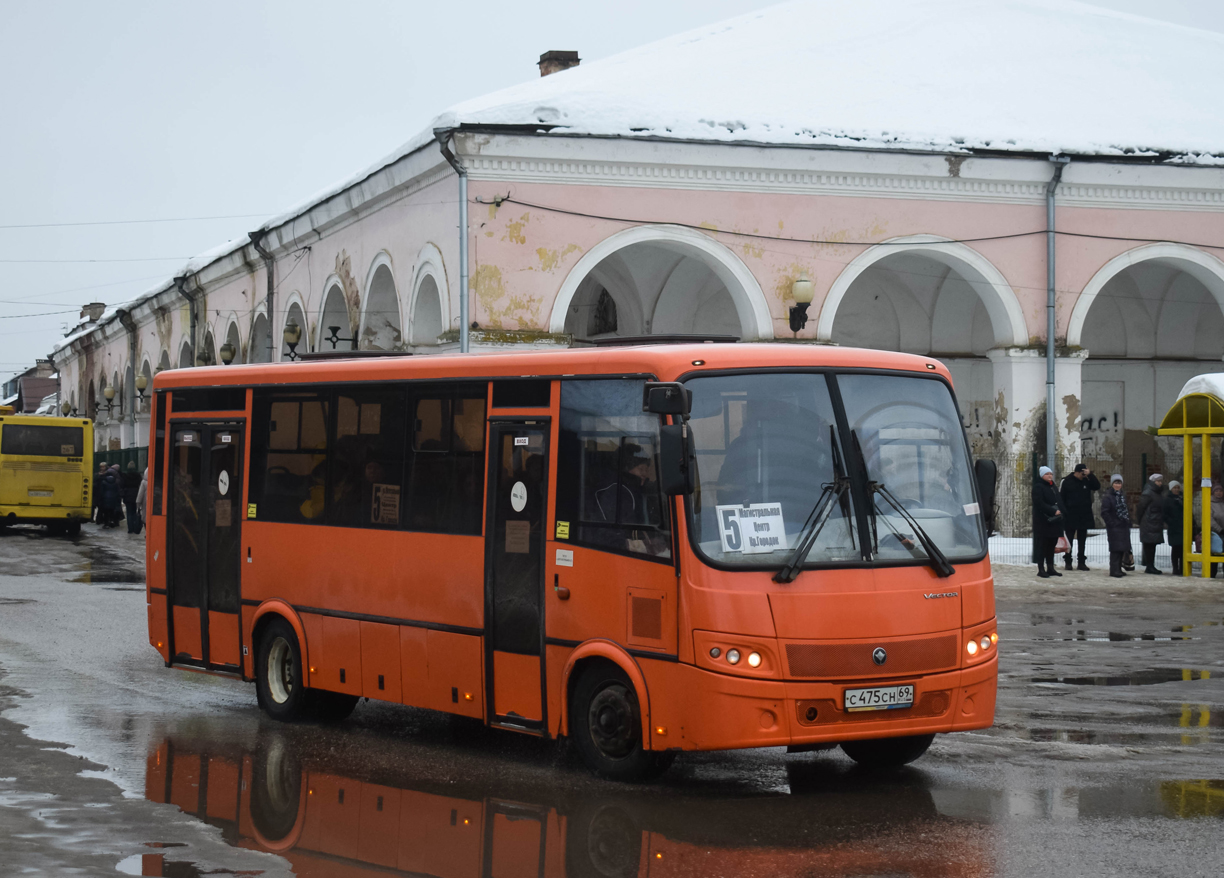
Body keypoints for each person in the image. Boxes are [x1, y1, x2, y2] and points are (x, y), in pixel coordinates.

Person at [1059, 463, 1100, 570]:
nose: (1083, 475)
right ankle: (1068, 561)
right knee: (1069, 539)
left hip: (1084, 514)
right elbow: (1061, 498)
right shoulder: (1067, 481)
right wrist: (1063, 512)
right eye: (1082, 473)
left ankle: (1081, 562)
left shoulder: (1087, 480)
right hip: (1070, 515)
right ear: (1077, 472)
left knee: (1082, 539)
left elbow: (1097, 486)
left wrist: (1090, 475)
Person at [1031, 466, 1066, 578]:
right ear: (1042, 475)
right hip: (1043, 521)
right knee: (1042, 545)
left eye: (1051, 474)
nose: (1050, 476)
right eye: (1047, 474)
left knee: (1052, 545)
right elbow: (1039, 503)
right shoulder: (1038, 487)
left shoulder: (1053, 486)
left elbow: (1059, 499)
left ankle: (1050, 567)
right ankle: (1041, 569)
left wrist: (1063, 511)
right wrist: (1052, 511)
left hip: (1055, 521)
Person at [1100, 474, 1132, 578]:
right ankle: (1114, 570)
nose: (1118, 485)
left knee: (1122, 548)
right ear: (1112, 484)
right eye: (1116, 483)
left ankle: (1118, 568)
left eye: (1119, 483)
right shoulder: (1108, 497)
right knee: (1115, 549)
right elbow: (1105, 512)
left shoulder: (1122, 495)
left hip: (1123, 525)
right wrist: (1112, 523)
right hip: (1114, 526)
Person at [1136, 473, 1166, 574]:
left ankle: (1151, 565)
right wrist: (1140, 520)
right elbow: (1141, 507)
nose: (1160, 483)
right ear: (1153, 482)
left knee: (1152, 545)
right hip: (1149, 522)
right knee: (1149, 545)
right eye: (1158, 481)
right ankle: (1149, 566)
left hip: (1155, 522)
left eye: (1161, 481)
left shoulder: (1158, 493)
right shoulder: (1148, 493)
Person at [1192, 482, 1224, 577]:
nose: (1219, 493)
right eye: (1216, 491)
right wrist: (1220, 529)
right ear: (1213, 492)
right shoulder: (1209, 503)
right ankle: (1211, 574)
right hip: (1214, 533)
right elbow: (1209, 519)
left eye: (1220, 491)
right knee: (1214, 553)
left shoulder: (1223, 503)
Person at [1164, 480, 1184, 576]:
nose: (1176, 489)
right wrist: (1171, 522)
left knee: (1183, 548)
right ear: (1170, 489)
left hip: (1183, 527)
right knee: (1176, 548)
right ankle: (1175, 568)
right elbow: (1165, 514)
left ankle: (1183, 568)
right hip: (1174, 528)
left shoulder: (1183, 498)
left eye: (1177, 487)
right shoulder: (1167, 500)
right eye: (1174, 488)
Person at [121, 461, 142, 534]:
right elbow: (140, 484)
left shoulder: (125, 476)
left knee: (129, 513)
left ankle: (130, 529)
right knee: (134, 512)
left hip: (127, 495)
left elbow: (122, 485)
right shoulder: (138, 475)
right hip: (136, 494)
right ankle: (135, 526)